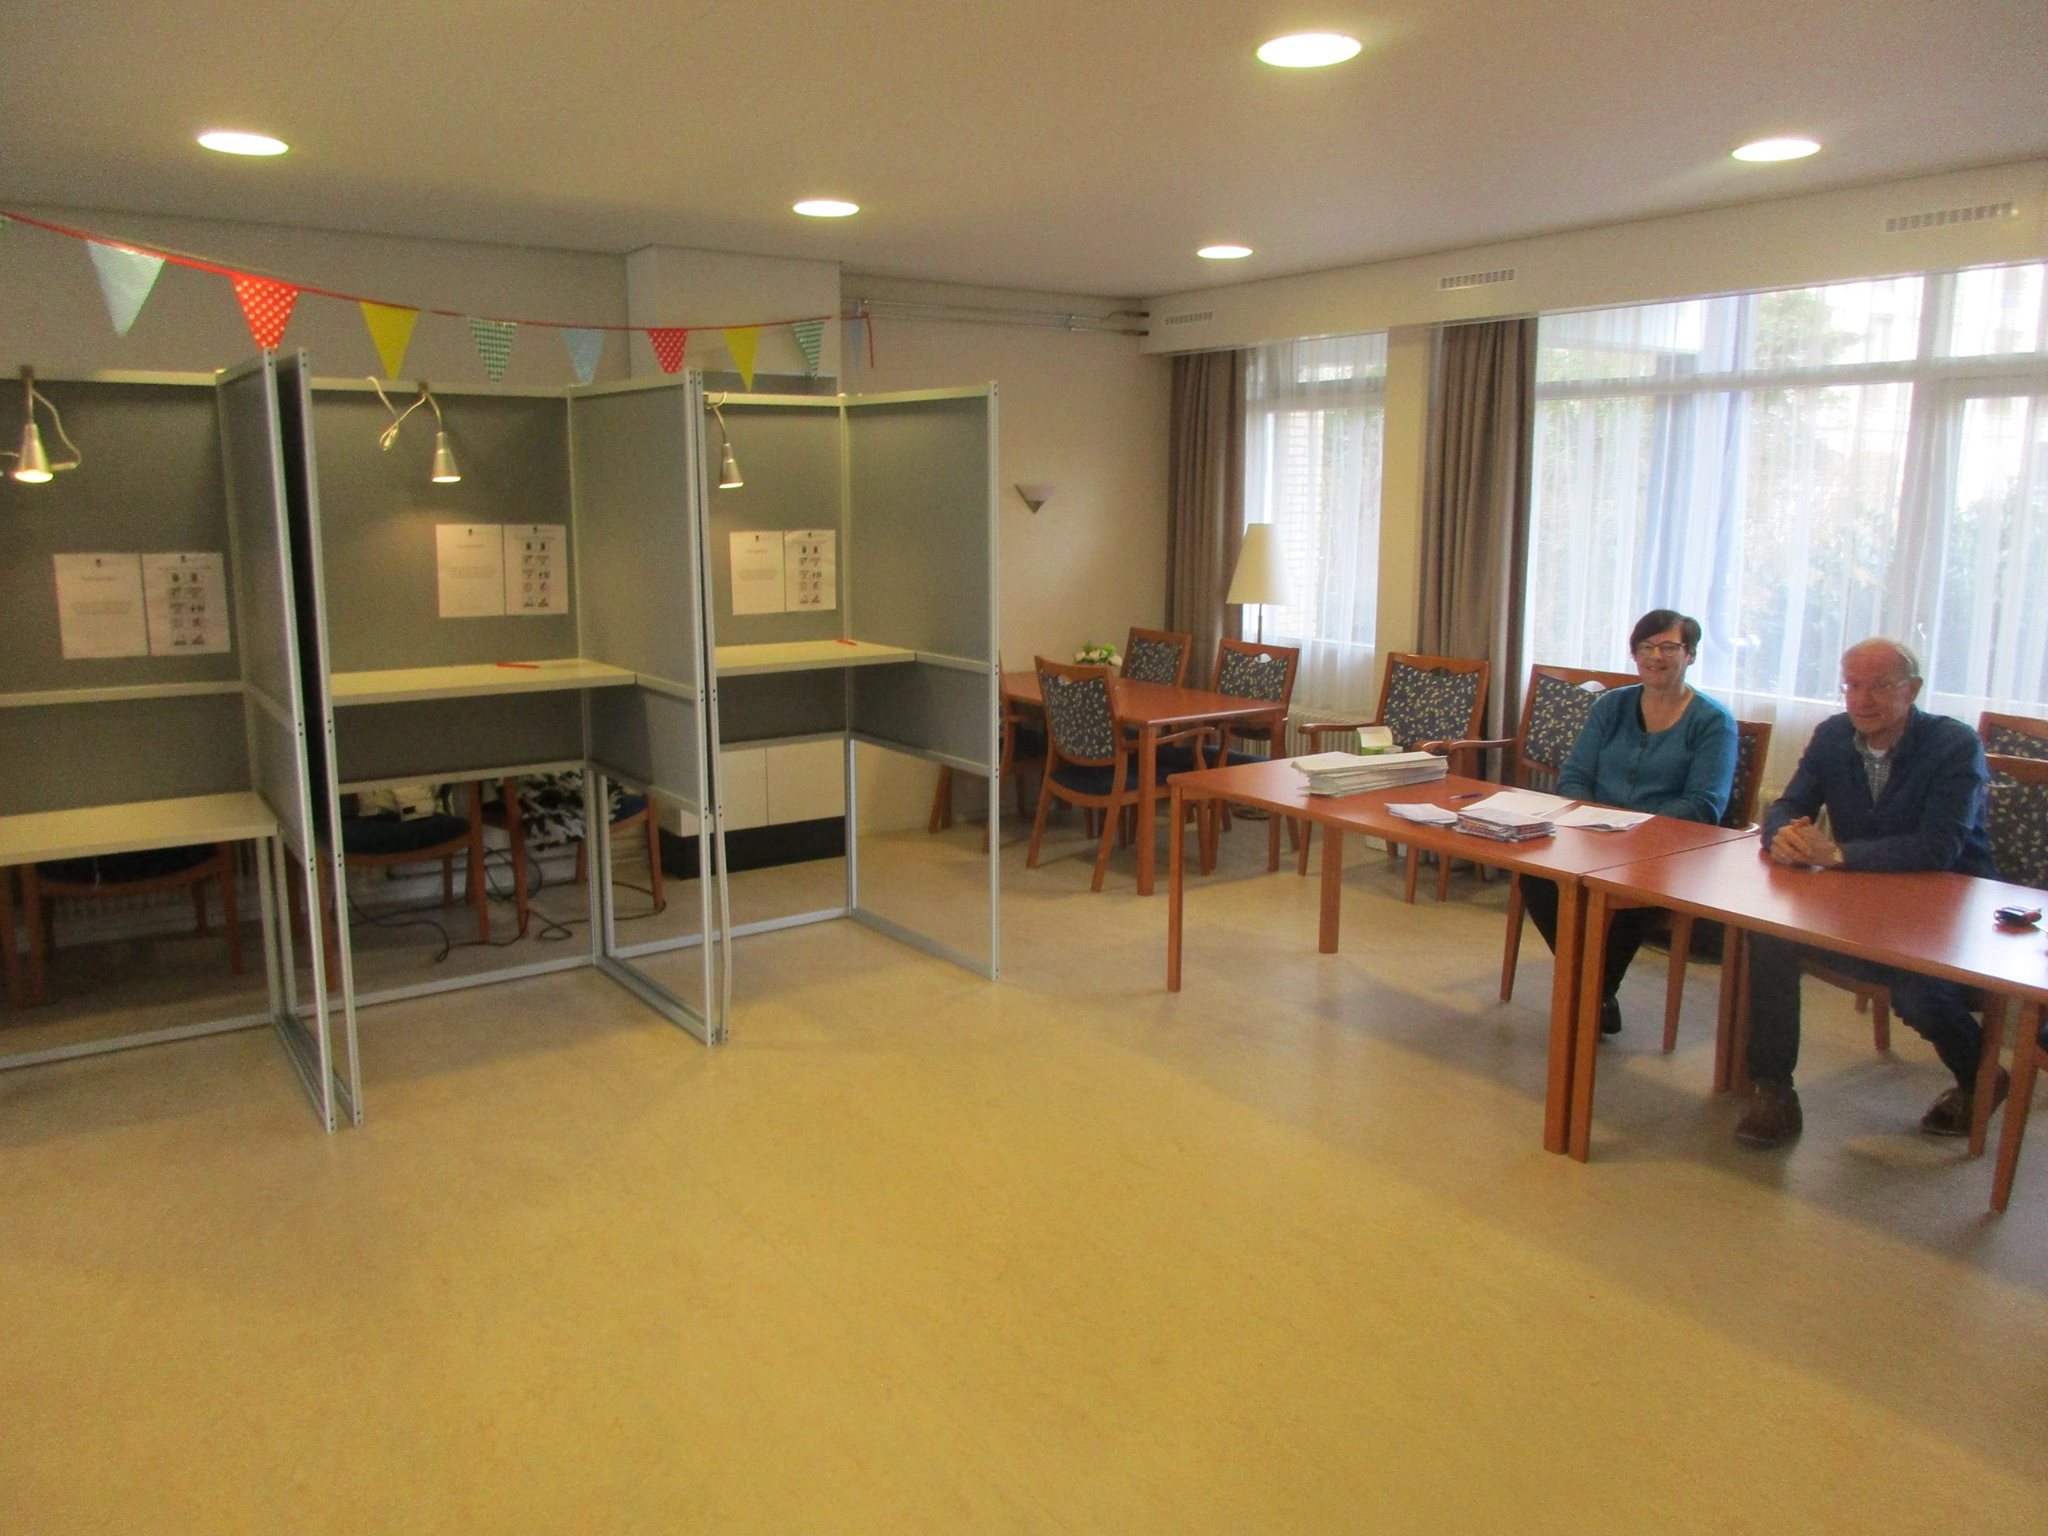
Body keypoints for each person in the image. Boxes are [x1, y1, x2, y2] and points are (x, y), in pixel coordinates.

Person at [1733, 638, 1999, 1147]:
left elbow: (1940, 847)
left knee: (1917, 991)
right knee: (1769, 934)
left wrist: (1837, 854)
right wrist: (1784, 835)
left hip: (1943, 914)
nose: (1862, 699)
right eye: (1852, 685)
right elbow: (1790, 804)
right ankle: (1773, 1092)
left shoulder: (1954, 744)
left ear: (1912, 690)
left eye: (1879, 686)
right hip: (1858, 904)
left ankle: (1981, 1079)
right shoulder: (1833, 735)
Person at [1522, 609, 1737, 1035]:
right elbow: (1575, 775)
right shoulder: (1611, 706)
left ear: (1691, 655)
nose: (1655, 657)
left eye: (1669, 647)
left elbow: (1704, 805)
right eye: (1646, 647)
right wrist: (1595, 822)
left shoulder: (1713, 721)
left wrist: (1633, 829)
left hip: (1666, 850)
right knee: (1534, 870)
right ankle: (1594, 990)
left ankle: (1590, 992)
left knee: (1625, 886)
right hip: (1592, 834)